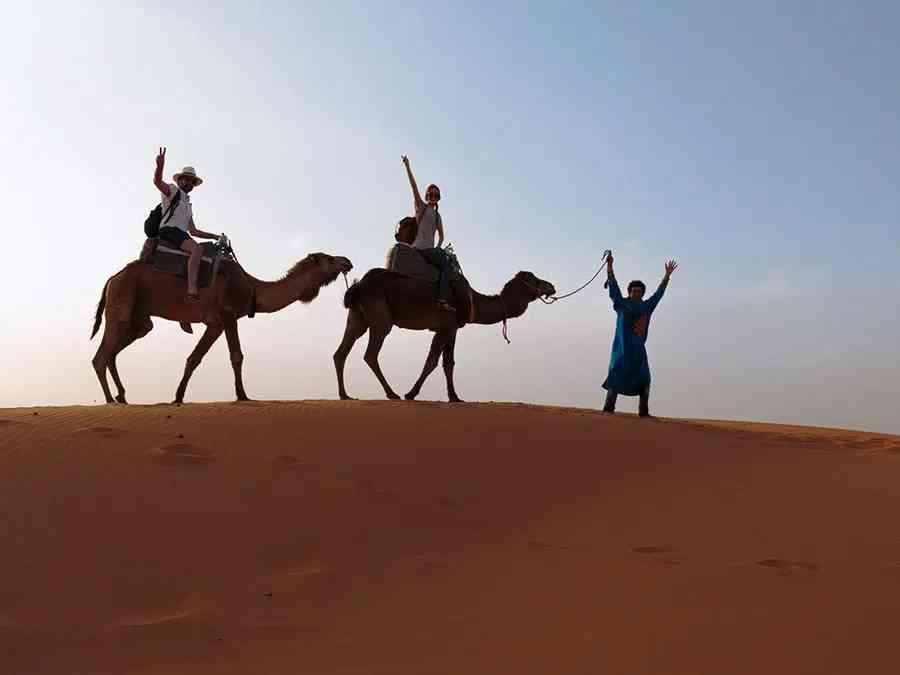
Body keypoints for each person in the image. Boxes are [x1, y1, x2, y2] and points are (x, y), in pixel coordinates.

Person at [602, 254, 678, 417]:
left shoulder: (646, 307)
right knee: (616, 377)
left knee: (645, 379)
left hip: (638, 352)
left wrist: (666, 276)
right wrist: (609, 266)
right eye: (634, 290)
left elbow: (659, 294)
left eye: (639, 291)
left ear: (643, 293)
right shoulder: (621, 304)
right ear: (629, 292)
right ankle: (608, 408)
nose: (636, 293)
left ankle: (643, 412)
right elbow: (613, 286)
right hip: (621, 351)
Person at [153, 147, 224, 302]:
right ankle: (192, 289)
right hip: (170, 231)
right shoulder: (172, 191)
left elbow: (194, 231)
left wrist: (215, 236)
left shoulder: (188, 204)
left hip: (181, 234)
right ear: (179, 181)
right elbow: (157, 182)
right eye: (186, 179)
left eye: (192, 181)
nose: (189, 183)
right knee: (197, 250)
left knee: (204, 250)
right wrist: (160, 167)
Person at [401, 155, 454, 311]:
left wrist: (438, 246)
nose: (432, 197)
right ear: (426, 196)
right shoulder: (421, 207)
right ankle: (442, 300)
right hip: (421, 249)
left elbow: (442, 235)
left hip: (430, 250)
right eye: (430, 194)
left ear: (438, 198)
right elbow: (413, 187)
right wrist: (407, 166)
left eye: (435, 195)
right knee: (447, 268)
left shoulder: (438, 216)